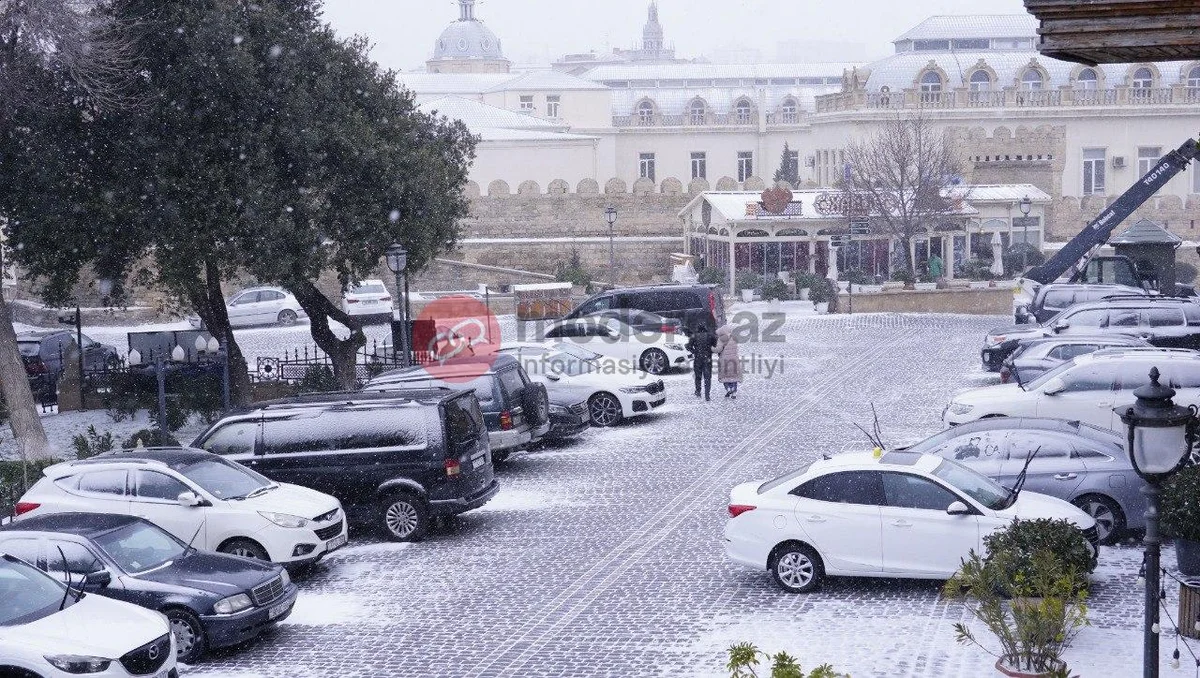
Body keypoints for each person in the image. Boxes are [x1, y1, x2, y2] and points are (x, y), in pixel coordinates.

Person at [685, 323, 716, 401]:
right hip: (707, 358)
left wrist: (694, 351)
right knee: (707, 377)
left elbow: (688, 346)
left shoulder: (694, 336)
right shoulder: (710, 335)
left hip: (698, 358)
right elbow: (715, 345)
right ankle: (707, 395)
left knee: (698, 376)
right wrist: (710, 351)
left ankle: (698, 391)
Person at [715, 323, 743, 399]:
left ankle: (728, 389)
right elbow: (736, 349)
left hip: (724, 360)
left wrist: (712, 349)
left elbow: (719, 349)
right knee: (734, 376)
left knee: (725, 376)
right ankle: (734, 392)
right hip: (734, 360)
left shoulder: (721, 339)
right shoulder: (734, 338)